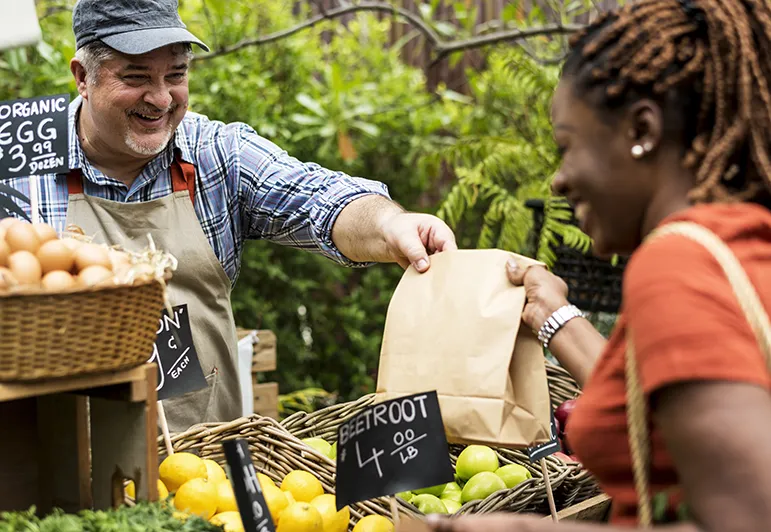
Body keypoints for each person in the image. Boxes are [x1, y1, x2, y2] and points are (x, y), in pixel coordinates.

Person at [2, 0, 456, 433]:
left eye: (176, 75)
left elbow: (319, 197)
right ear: (83, 77)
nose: (161, 99)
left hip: (204, 473)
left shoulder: (215, 154)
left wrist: (389, 224)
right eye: (136, 76)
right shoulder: (16, 160)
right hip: (60, 472)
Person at [412, 0, 771, 530]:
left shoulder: (676, 263)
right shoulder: (737, 243)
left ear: (641, 130)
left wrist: (524, 529)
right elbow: (659, 411)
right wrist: (553, 314)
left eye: (567, 146)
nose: (557, 180)